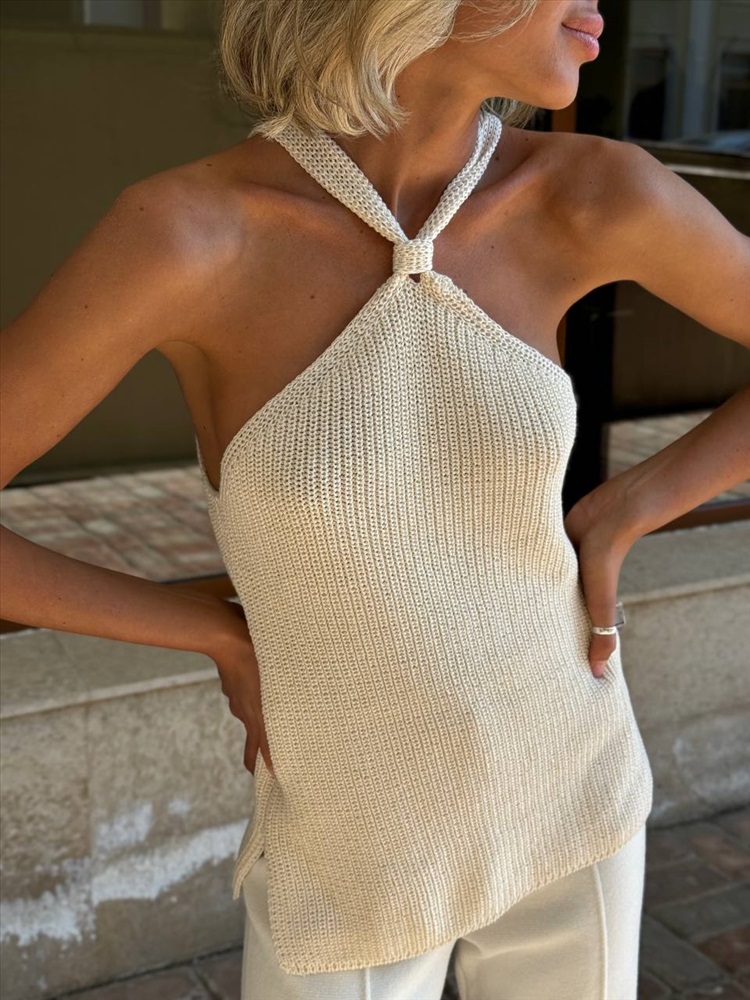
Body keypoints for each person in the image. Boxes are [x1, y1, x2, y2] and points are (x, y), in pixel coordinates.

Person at [1, 1, 749, 998]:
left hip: (576, 788)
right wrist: (210, 629)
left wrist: (630, 506)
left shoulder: (593, 193)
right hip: (351, 844)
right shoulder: (190, 233)